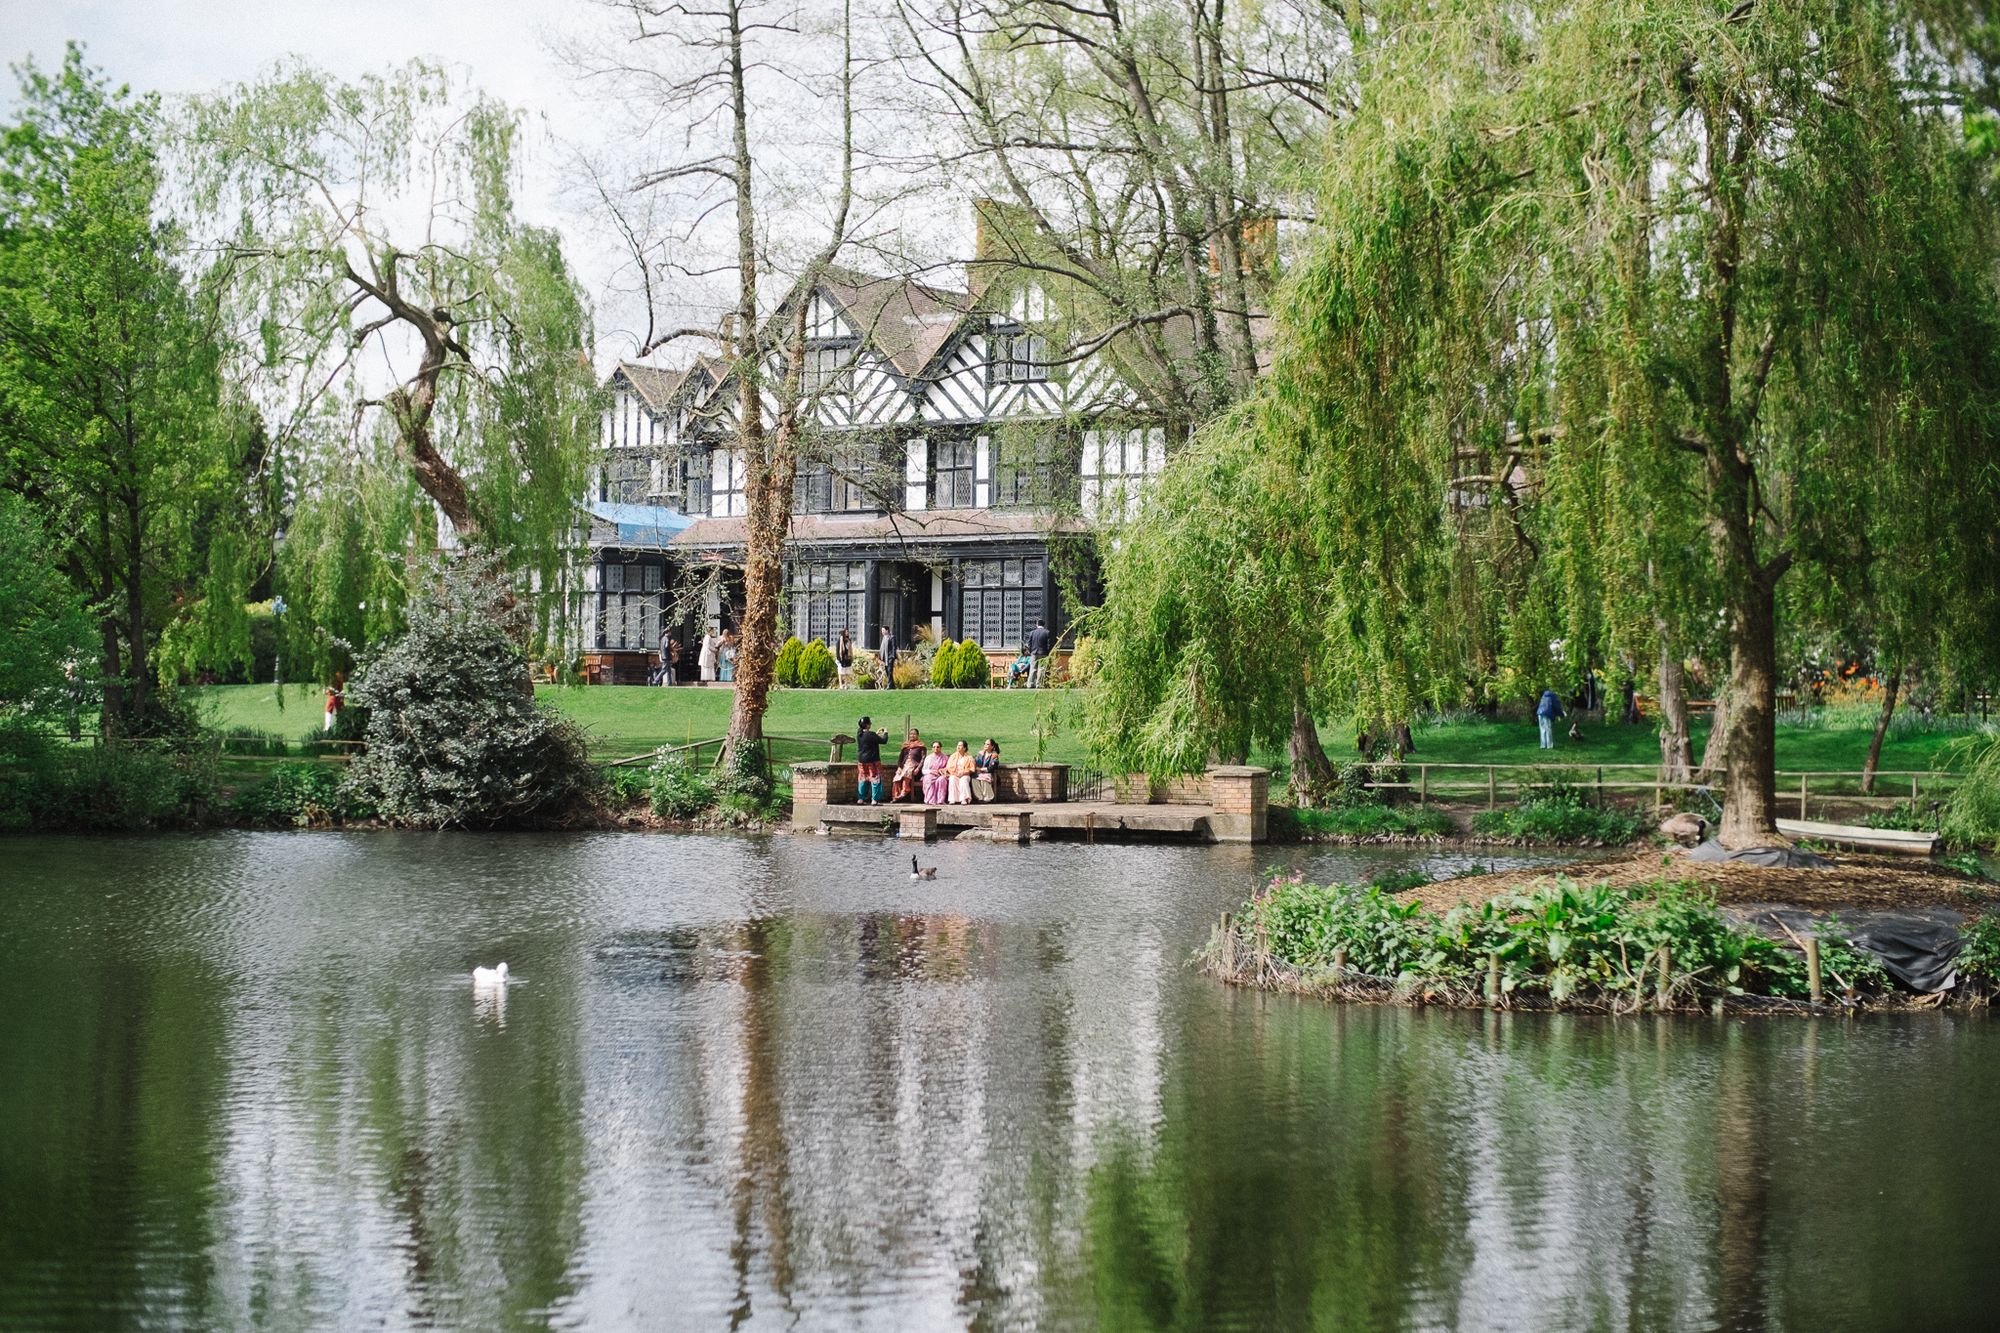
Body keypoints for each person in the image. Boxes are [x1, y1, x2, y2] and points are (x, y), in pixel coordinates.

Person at [854, 715, 888, 804]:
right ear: (867, 725)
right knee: (875, 778)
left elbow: (869, 738)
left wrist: (875, 734)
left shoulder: (859, 734)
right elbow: (884, 741)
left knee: (863, 779)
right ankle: (875, 800)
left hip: (861, 761)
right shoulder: (871, 734)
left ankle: (860, 798)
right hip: (873, 760)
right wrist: (885, 733)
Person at [892, 728, 927, 801]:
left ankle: (905, 789)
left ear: (917, 735)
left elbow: (923, 758)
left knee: (907, 771)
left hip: (915, 767)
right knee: (896, 778)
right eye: (911, 734)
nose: (912, 735)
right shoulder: (906, 745)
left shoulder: (921, 746)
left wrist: (918, 768)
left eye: (914, 734)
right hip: (904, 766)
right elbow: (900, 758)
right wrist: (899, 767)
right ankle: (896, 796)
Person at [946, 740, 977, 804]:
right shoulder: (953, 756)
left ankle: (964, 799)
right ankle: (953, 799)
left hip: (965, 774)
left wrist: (964, 773)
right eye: (958, 745)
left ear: (965, 748)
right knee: (952, 779)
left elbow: (972, 769)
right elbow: (948, 767)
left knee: (963, 780)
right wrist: (955, 773)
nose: (958, 747)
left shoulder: (969, 757)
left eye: (960, 745)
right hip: (954, 774)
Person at [1025, 618, 1053, 688]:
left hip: (1034, 653)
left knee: (1033, 669)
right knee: (1041, 669)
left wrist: (1031, 651)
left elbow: (1029, 644)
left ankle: (1030, 684)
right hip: (1043, 653)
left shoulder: (1032, 632)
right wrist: (1047, 652)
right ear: (1044, 625)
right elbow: (1049, 644)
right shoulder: (1047, 632)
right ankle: (1039, 684)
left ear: (1037, 624)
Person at [972, 737, 1001, 801]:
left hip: (989, 773)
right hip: (979, 773)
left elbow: (992, 767)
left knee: (984, 779)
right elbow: (976, 762)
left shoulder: (994, 755)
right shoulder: (981, 753)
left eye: (987, 744)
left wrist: (982, 769)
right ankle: (980, 797)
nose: (985, 745)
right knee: (974, 779)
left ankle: (988, 797)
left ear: (992, 746)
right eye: (985, 744)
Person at [922, 740, 950, 805]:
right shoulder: (928, 758)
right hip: (930, 774)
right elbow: (924, 770)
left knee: (941, 780)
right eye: (934, 747)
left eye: (938, 747)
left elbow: (948, 768)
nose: (936, 749)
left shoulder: (945, 758)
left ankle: (940, 800)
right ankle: (930, 800)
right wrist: (931, 771)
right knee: (928, 779)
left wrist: (942, 770)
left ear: (940, 748)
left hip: (941, 775)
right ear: (932, 748)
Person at [878, 625, 898, 690]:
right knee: (887, 672)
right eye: (882, 631)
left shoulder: (892, 637)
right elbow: (882, 649)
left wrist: (893, 656)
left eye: (883, 630)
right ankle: (892, 685)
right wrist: (880, 658)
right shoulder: (884, 638)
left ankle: (889, 685)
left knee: (889, 671)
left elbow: (894, 647)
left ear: (887, 630)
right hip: (885, 658)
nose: (882, 632)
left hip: (890, 657)